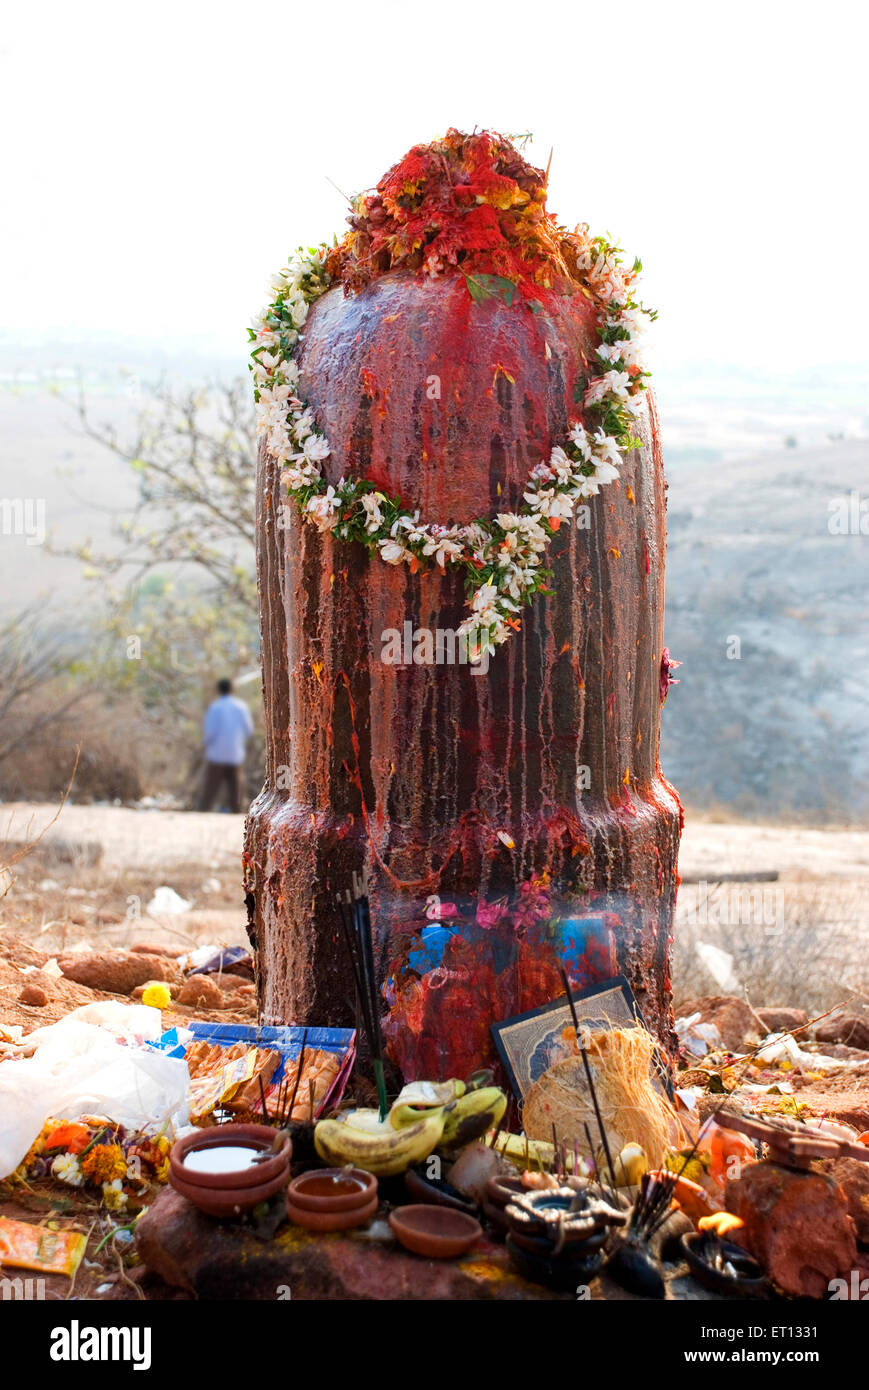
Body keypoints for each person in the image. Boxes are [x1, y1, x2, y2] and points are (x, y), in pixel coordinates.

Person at [198, 678, 254, 813]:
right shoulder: (241, 707)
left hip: (217, 754)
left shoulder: (215, 707)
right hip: (235, 753)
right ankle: (236, 811)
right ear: (231, 689)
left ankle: (204, 809)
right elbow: (249, 730)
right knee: (235, 786)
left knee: (211, 785)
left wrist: (205, 744)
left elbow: (210, 732)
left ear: (218, 690)